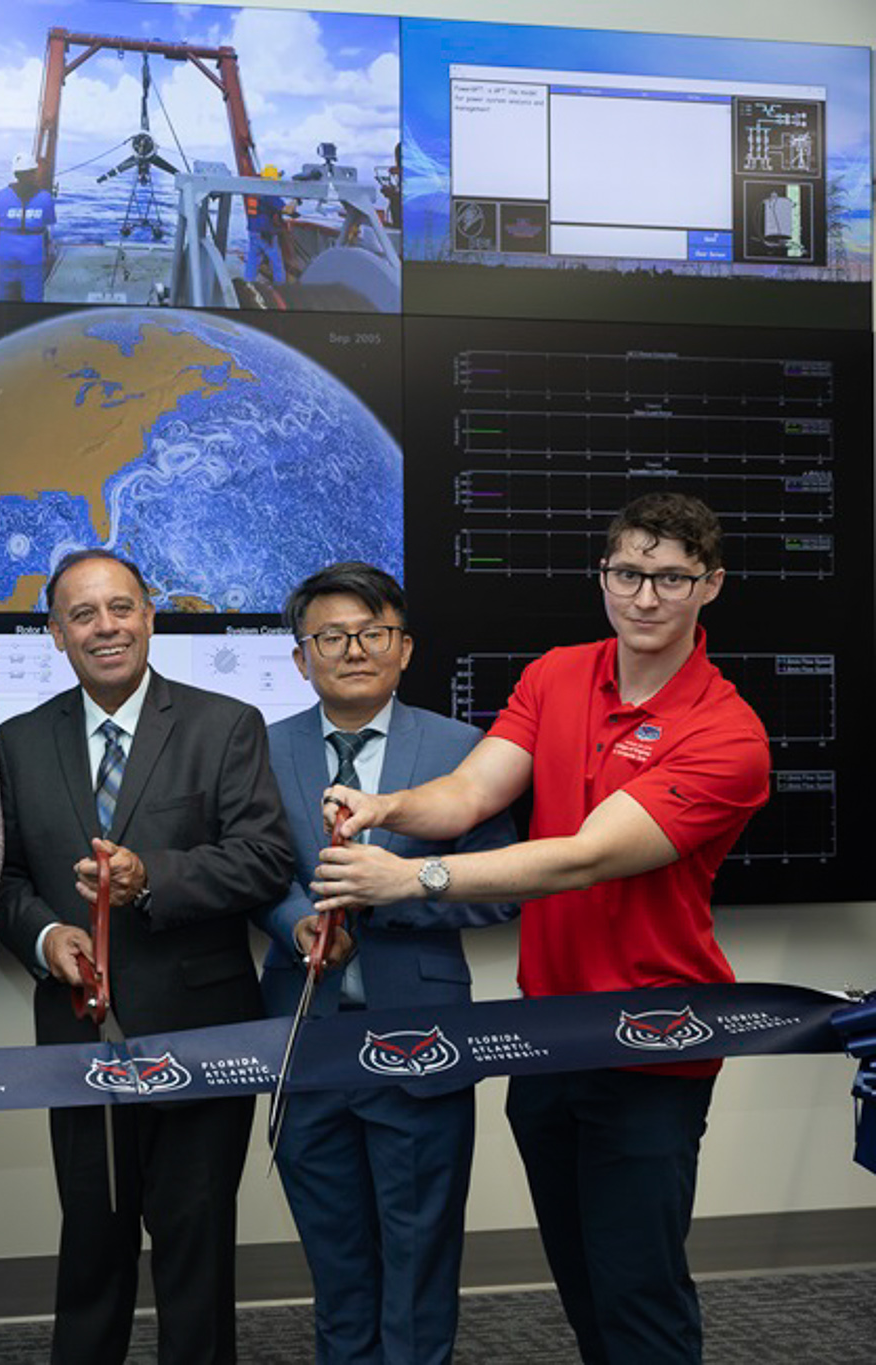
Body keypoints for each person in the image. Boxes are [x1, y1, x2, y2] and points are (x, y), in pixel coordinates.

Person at [312, 494, 769, 1365]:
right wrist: (387, 806)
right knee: (584, 1288)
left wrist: (412, 877)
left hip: (652, 1040)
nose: (644, 596)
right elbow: (469, 793)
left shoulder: (726, 733)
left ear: (709, 585)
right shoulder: (558, 674)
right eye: (627, 572)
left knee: (639, 1294)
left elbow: (584, 858)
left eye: (670, 578)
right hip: (547, 1036)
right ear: (603, 575)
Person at [0, 548, 293, 1365]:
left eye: (121, 607)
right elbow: (4, 878)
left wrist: (151, 876)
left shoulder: (225, 724)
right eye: (82, 614)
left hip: (201, 1028)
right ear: (56, 634)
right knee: (92, 1244)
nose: (106, 627)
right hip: (78, 1036)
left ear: (151, 616)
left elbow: (264, 859)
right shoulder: (18, 739)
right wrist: (46, 937)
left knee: (196, 1250)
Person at [259, 562, 518, 1365]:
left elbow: (503, 885)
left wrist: (388, 894)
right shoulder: (262, 747)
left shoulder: (462, 749)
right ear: (300, 657)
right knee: (336, 1261)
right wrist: (298, 922)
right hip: (306, 1036)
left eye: (374, 633)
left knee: (418, 1256)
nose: (354, 649)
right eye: (331, 636)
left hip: (420, 1035)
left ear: (405, 648)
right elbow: (255, 871)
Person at [0, 150, 56, 302]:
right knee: (33, 296)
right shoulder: (45, 198)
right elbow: (49, 222)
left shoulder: (2, 195)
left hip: (6, 252)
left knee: (3, 293)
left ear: (15, 173)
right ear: (34, 173)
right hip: (32, 255)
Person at [246, 164, 292, 285]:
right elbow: (287, 210)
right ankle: (281, 287)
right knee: (276, 262)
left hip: (253, 232)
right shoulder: (269, 194)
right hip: (266, 234)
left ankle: (248, 283)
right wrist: (296, 201)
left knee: (252, 261)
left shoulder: (255, 192)